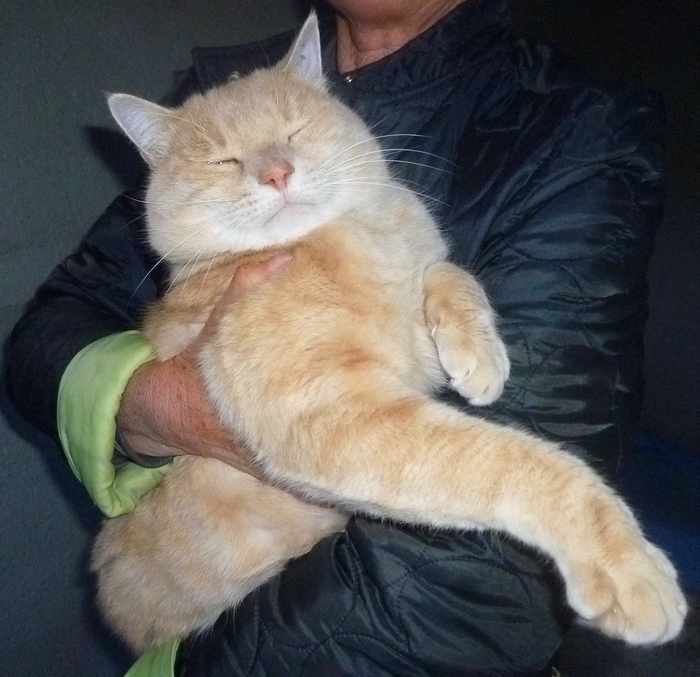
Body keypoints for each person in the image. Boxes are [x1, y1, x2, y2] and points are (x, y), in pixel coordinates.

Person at [7, 0, 664, 675]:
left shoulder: (575, 125)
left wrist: (445, 288)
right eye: (227, 161)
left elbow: (476, 588)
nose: (274, 170)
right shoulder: (219, 108)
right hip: (199, 606)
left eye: (294, 133)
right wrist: (155, 406)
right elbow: (48, 329)